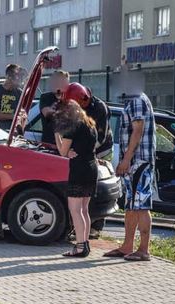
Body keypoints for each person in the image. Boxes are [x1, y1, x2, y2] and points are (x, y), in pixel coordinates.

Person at [104, 89, 156, 261]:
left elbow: (138, 130)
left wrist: (126, 159)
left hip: (138, 161)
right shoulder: (135, 100)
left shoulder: (138, 100)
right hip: (134, 162)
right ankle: (127, 246)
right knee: (131, 205)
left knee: (141, 205)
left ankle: (143, 250)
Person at [54, 100, 98, 257]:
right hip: (92, 167)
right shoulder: (90, 124)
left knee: (75, 209)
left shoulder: (73, 127)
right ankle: (85, 244)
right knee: (84, 209)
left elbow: (62, 151)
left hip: (79, 169)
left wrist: (57, 134)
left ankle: (80, 246)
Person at [63, 83, 114, 161]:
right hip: (84, 150)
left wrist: (80, 151)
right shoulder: (74, 109)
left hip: (102, 152)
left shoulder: (100, 108)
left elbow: (100, 138)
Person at [0, 64, 24, 130]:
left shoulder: (20, 93)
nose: (21, 80)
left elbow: (22, 114)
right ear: (9, 77)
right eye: (19, 76)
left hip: (13, 132)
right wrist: (13, 116)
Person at [40, 70, 70, 144]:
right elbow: (47, 114)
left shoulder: (70, 98)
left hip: (66, 143)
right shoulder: (45, 97)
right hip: (49, 142)